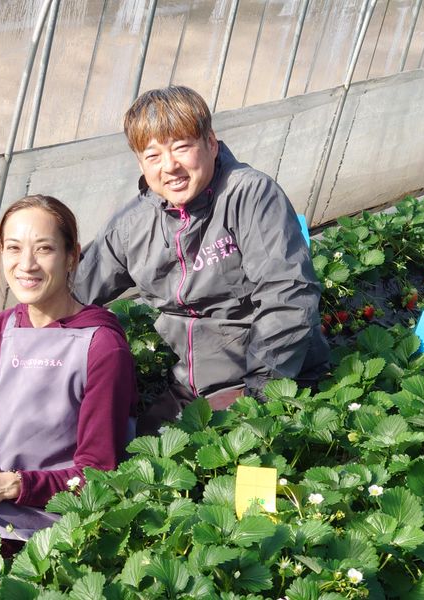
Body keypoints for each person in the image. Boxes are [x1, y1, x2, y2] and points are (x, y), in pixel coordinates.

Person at [73, 85, 329, 435]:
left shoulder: (249, 195)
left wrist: (260, 397)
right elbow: (73, 293)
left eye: (181, 147)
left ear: (211, 143)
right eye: (153, 155)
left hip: (266, 376)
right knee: (126, 447)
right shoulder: (133, 225)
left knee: (185, 456)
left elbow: (287, 295)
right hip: (193, 383)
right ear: (140, 163)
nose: (170, 166)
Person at [0, 195, 138, 572]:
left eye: (44, 249)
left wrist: (10, 485)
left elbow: (98, 474)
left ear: (72, 256)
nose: (27, 264)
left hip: (61, 523)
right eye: (14, 248)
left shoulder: (101, 345)